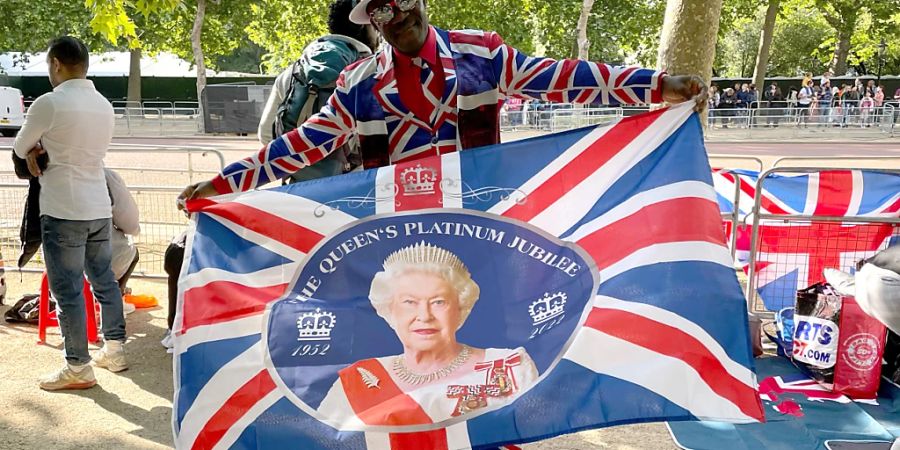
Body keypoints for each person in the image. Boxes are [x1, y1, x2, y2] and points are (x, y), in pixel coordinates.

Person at [178, 0, 707, 203]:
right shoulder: (358, 84)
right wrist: (221, 184)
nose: (397, 13)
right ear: (373, 21)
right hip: (394, 232)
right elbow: (294, 147)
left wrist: (659, 85)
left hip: (480, 215)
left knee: (488, 340)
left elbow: (567, 77)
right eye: (381, 8)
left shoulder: (484, 54)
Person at [12, 36, 127, 390]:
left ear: (57, 64)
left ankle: (78, 366)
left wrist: (38, 149)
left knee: (68, 291)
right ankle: (116, 349)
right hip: (98, 205)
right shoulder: (104, 105)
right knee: (104, 280)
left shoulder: (49, 103)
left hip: (63, 207)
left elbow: (19, 146)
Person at [318, 241, 539, 425]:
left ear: (461, 309)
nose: (424, 315)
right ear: (388, 310)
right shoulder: (357, 382)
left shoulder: (511, 367)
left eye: (438, 302)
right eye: (409, 302)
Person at [256, 0, 379, 182]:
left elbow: (266, 134)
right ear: (364, 26)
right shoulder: (371, 72)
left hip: (298, 191)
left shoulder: (294, 71)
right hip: (354, 189)